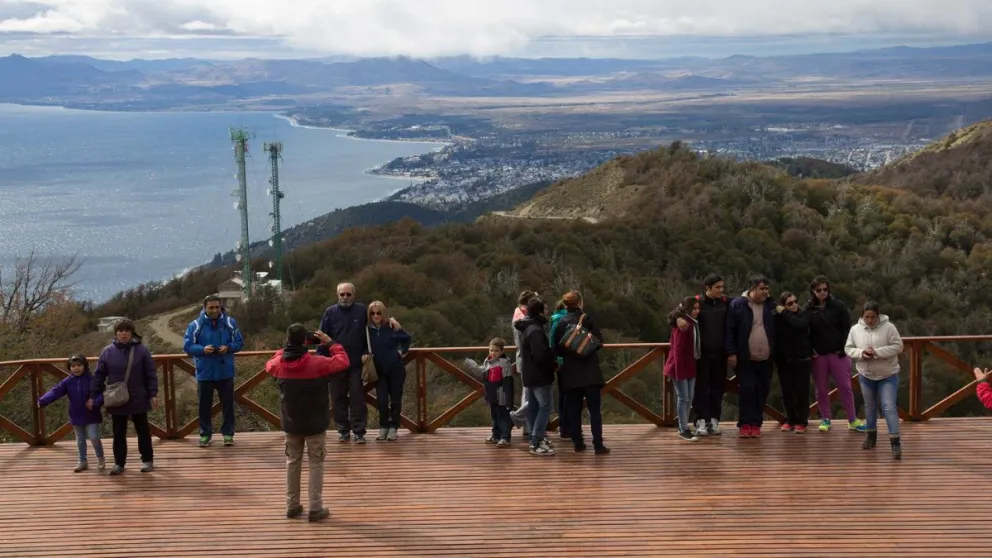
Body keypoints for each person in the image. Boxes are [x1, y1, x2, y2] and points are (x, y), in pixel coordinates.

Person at [265, 325, 350, 522]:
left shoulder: (279, 364)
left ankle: (292, 505)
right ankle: (315, 508)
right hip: (315, 422)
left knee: (292, 462)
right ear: (305, 341)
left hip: (291, 421)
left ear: (288, 341)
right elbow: (343, 362)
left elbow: (269, 364)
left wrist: (286, 348)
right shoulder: (318, 363)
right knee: (316, 463)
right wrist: (331, 343)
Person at [317, 282, 399, 444]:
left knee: (358, 399)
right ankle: (343, 431)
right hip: (335, 364)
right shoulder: (330, 312)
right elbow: (321, 336)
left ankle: (359, 432)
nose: (345, 297)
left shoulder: (362, 310)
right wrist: (322, 361)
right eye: (342, 294)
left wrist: (393, 320)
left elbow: (378, 317)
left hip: (356, 364)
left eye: (348, 294)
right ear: (337, 295)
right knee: (338, 398)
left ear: (354, 295)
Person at [91, 318, 158, 475]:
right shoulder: (107, 351)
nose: (124, 334)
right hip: (117, 397)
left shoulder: (142, 350)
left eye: (127, 331)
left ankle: (147, 460)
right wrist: (94, 395)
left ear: (132, 332)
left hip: (138, 396)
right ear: (116, 333)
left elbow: (150, 374)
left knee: (143, 430)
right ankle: (119, 463)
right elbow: (99, 375)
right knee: (118, 431)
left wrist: (153, 393)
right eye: (120, 331)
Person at [183, 295, 245, 448]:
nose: (214, 310)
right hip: (205, 371)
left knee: (228, 405)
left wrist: (228, 348)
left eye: (217, 307)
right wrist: (203, 349)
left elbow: (239, 342)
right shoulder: (195, 325)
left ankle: (228, 434)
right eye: (211, 307)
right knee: (204, 405)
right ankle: (205, 434)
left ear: (221, 307)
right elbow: (187, 346)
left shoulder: (230, 322)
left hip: (225, 370)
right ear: (205, 308)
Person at [807, 276, 866, 433]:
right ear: (813, 291)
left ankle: (852, 420)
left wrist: (844, 348)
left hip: (838, 354)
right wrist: (809, 348)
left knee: (845, 387)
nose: (822, 292)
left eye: (825, 289)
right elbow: (804, 331)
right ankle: (826, 419)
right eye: (819, 290)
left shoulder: (838, 306)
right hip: (818, 355)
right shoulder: (808, 309)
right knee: (821, 389)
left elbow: (847, 328)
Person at [845, 302, 904, 459]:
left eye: (872, 317)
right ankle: (871, 437)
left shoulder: (889, 327)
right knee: (870, 407)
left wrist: (877, 352)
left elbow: (898, 346)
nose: (870, 320)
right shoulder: (855, 329)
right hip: (866, 375)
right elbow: (848, 348)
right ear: (862, 316)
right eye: (866, 317)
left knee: (888, 406)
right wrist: (862, 353)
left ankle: (895, 442)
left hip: (888, 375)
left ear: (878, 316)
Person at [553, 291, 610, 454]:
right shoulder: (587, 319)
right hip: (590, 371)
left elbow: (558, 350)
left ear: (565, 305)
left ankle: (578, 442)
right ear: (580, 303)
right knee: (594, 411)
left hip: (570, 372)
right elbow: (599, 342)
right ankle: (598, 444)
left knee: (573, 410)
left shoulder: (560, 323)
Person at [725, 275, 776, 438]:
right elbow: (729, 330)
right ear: (752, 288)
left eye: (767, 289)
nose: (765, 292)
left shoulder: (770, 305)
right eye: (762, 289)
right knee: (747, 391)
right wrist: (731, 352)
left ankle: (756, 423)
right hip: (745, 358)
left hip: (766, 359)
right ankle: (745, 424)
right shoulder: (738, 305)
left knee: (762, 391)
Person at [38, 355, 105, 472]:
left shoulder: (92, 379)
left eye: (79, 365)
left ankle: (100, 458)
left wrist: (95, 402)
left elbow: (102, 393)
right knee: (80, 439)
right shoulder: (68, 381)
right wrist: (42, 401)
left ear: (85, 366)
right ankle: (82, 461)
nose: (76, 368)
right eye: (73, 366)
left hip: (91, 413)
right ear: (69, 368)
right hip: (76, 413)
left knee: (94, 437)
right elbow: (55, 391)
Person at [515, 297, 558, 456]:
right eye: (545, 309)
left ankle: (535, 436)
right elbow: (541, 356)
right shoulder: (536, 330)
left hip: (529, 374)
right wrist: (553, 361)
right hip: (540, 375)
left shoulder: (527, 327)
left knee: (533, 406)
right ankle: (536, 440)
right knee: (545, 407)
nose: (547, 312)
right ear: (539, 311)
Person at [364, 300, 411, 442]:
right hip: (379, 371)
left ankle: (394, 427)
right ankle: (383, 426)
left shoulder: (391, 327)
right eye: (372, 313)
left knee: (396, 400)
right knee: (382, 401)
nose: (375, 316)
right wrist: (365, 354)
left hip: (396, 369)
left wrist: (401, 352)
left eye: (378, 313)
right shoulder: (367, 330)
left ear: (383, 313)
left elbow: (407, 339)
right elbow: (363, 345)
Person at [464, 338, 515, 447]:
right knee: (494, 415)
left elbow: (508, 382)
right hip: (491, 393)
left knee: (503, 416)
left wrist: (509, 400)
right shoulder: (487, 361)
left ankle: (505, 437)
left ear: (502, 351)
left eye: (496, 350)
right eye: (491, 350)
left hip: (501, 394)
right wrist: (472, 365)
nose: (493, 353)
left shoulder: (505, 363)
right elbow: (483, 374)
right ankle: (496, 435)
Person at [774, 292, 813, 433]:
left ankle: (802, 421)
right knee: (787, 392)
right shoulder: (779, 319)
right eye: (790, 303)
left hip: (802, 359)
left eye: (795, 301)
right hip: (784, 360)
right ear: (783, 305)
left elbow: (798, 324)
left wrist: (785, 312)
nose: (795, 305)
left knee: (802, 392)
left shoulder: (802, 315)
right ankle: (790, 419)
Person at [665, 297, 700, 442]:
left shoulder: (691, 322)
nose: (697, 311)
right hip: (679, 366)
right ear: (687, 309)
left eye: (698, 308)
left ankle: (684, 424)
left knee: (689, 397)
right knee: (683, 397)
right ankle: (682, 427)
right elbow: (677, 349)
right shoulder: (684, 324)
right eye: (694, 309)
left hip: (690, 364)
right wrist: (678, 370)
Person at [509, 290, 536, 438]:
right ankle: (513, 418)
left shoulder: (517, 314)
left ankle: (528, 427)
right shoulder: (523, 321)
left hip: (521, 359)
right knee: (531, 396)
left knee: (527, 394)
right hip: (528, 360)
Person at [547, 300, 570, 440]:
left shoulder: (555, 321)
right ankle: (568, 428)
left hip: (558, 363)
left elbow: (552, 343)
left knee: (562, 395)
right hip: (567, 363)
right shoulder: (566, 321)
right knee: (570, 396)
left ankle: (563, 426)